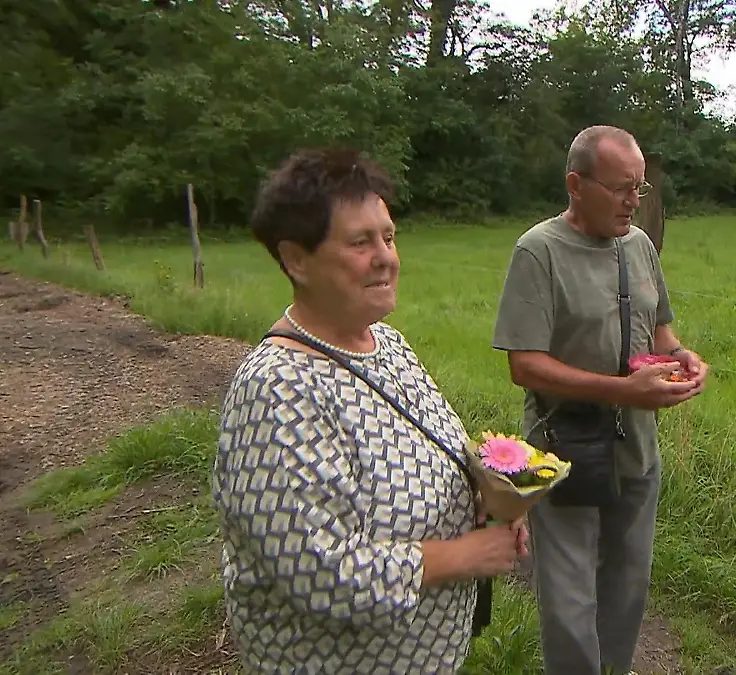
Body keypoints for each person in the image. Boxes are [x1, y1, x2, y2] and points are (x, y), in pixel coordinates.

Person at [211, 147, 528, 674]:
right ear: (296, 260)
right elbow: (322, 575)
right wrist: (467, 555)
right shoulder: (278, 391)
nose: (386, 258)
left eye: (389, 237)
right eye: (361, 242)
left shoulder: (386, 344)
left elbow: (430, 448)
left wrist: (490, 495)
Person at [491, 125, 708, 675]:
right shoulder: (538, 251)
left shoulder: (639, 246)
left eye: (640, 188)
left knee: (628, 584)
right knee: (569, 600)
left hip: (636, 449)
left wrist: (681, 356)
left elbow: (659, 329)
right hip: (563, 449)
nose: (634, 201)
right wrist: (622, 390)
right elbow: (524, 364)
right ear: (576, 185)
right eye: (620, 189)